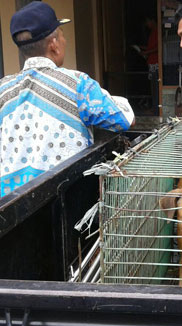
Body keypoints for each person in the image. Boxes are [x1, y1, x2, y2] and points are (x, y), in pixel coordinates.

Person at [0, 1, 135, 197]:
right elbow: (124, 119)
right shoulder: (77, 85)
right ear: (54, 45)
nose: (64, 40)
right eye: (62, 34)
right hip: (62, 204)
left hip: (8, 211)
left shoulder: (3, 88)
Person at [140, 16, 159, 111]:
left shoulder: (157, 32)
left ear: (152, 20)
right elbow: (151, 47)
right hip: (151, 61)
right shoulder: (152, 32)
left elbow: (158, 47)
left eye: (147, 22)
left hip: (155, 62)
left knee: (155, 85)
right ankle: (154, 106)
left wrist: (146, 52)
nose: (147, 25)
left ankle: (155, 107)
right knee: (153, 84)